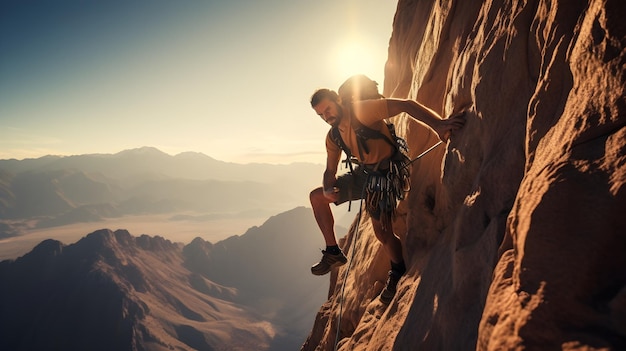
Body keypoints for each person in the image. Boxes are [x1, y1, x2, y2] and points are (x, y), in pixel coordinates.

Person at [309, 75, 466, 304]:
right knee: (316, 198)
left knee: (382, 233)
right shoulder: (333, 135)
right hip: (363, 175)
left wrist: (439, 125)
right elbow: (329, 171)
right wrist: (326, 187)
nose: (327, 116)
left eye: (328, 109)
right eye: (321, 114)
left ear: (337, 101)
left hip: (386, 174)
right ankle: (333, 251)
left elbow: (406, 105)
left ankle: (398, 269)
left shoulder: (362, 111)